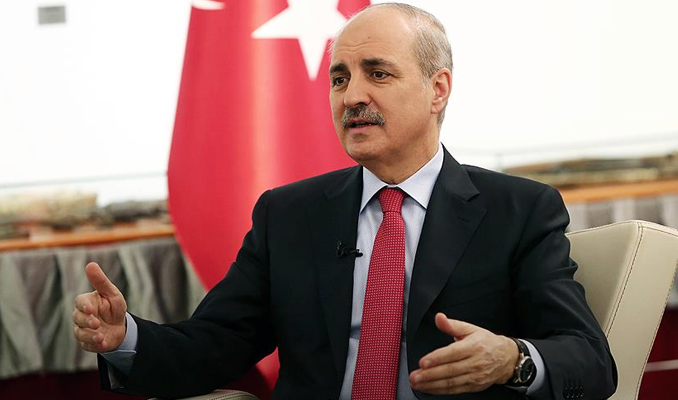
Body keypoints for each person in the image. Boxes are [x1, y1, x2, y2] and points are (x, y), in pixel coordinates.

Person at [72, 3, 617, 399]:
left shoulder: (518, 211)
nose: (352, 95)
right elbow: (216, 342)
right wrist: (126, 338)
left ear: (438, 89)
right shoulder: (288, 215)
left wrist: (513, 359)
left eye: (377, 73)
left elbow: (590, 360)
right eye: (339, 79)